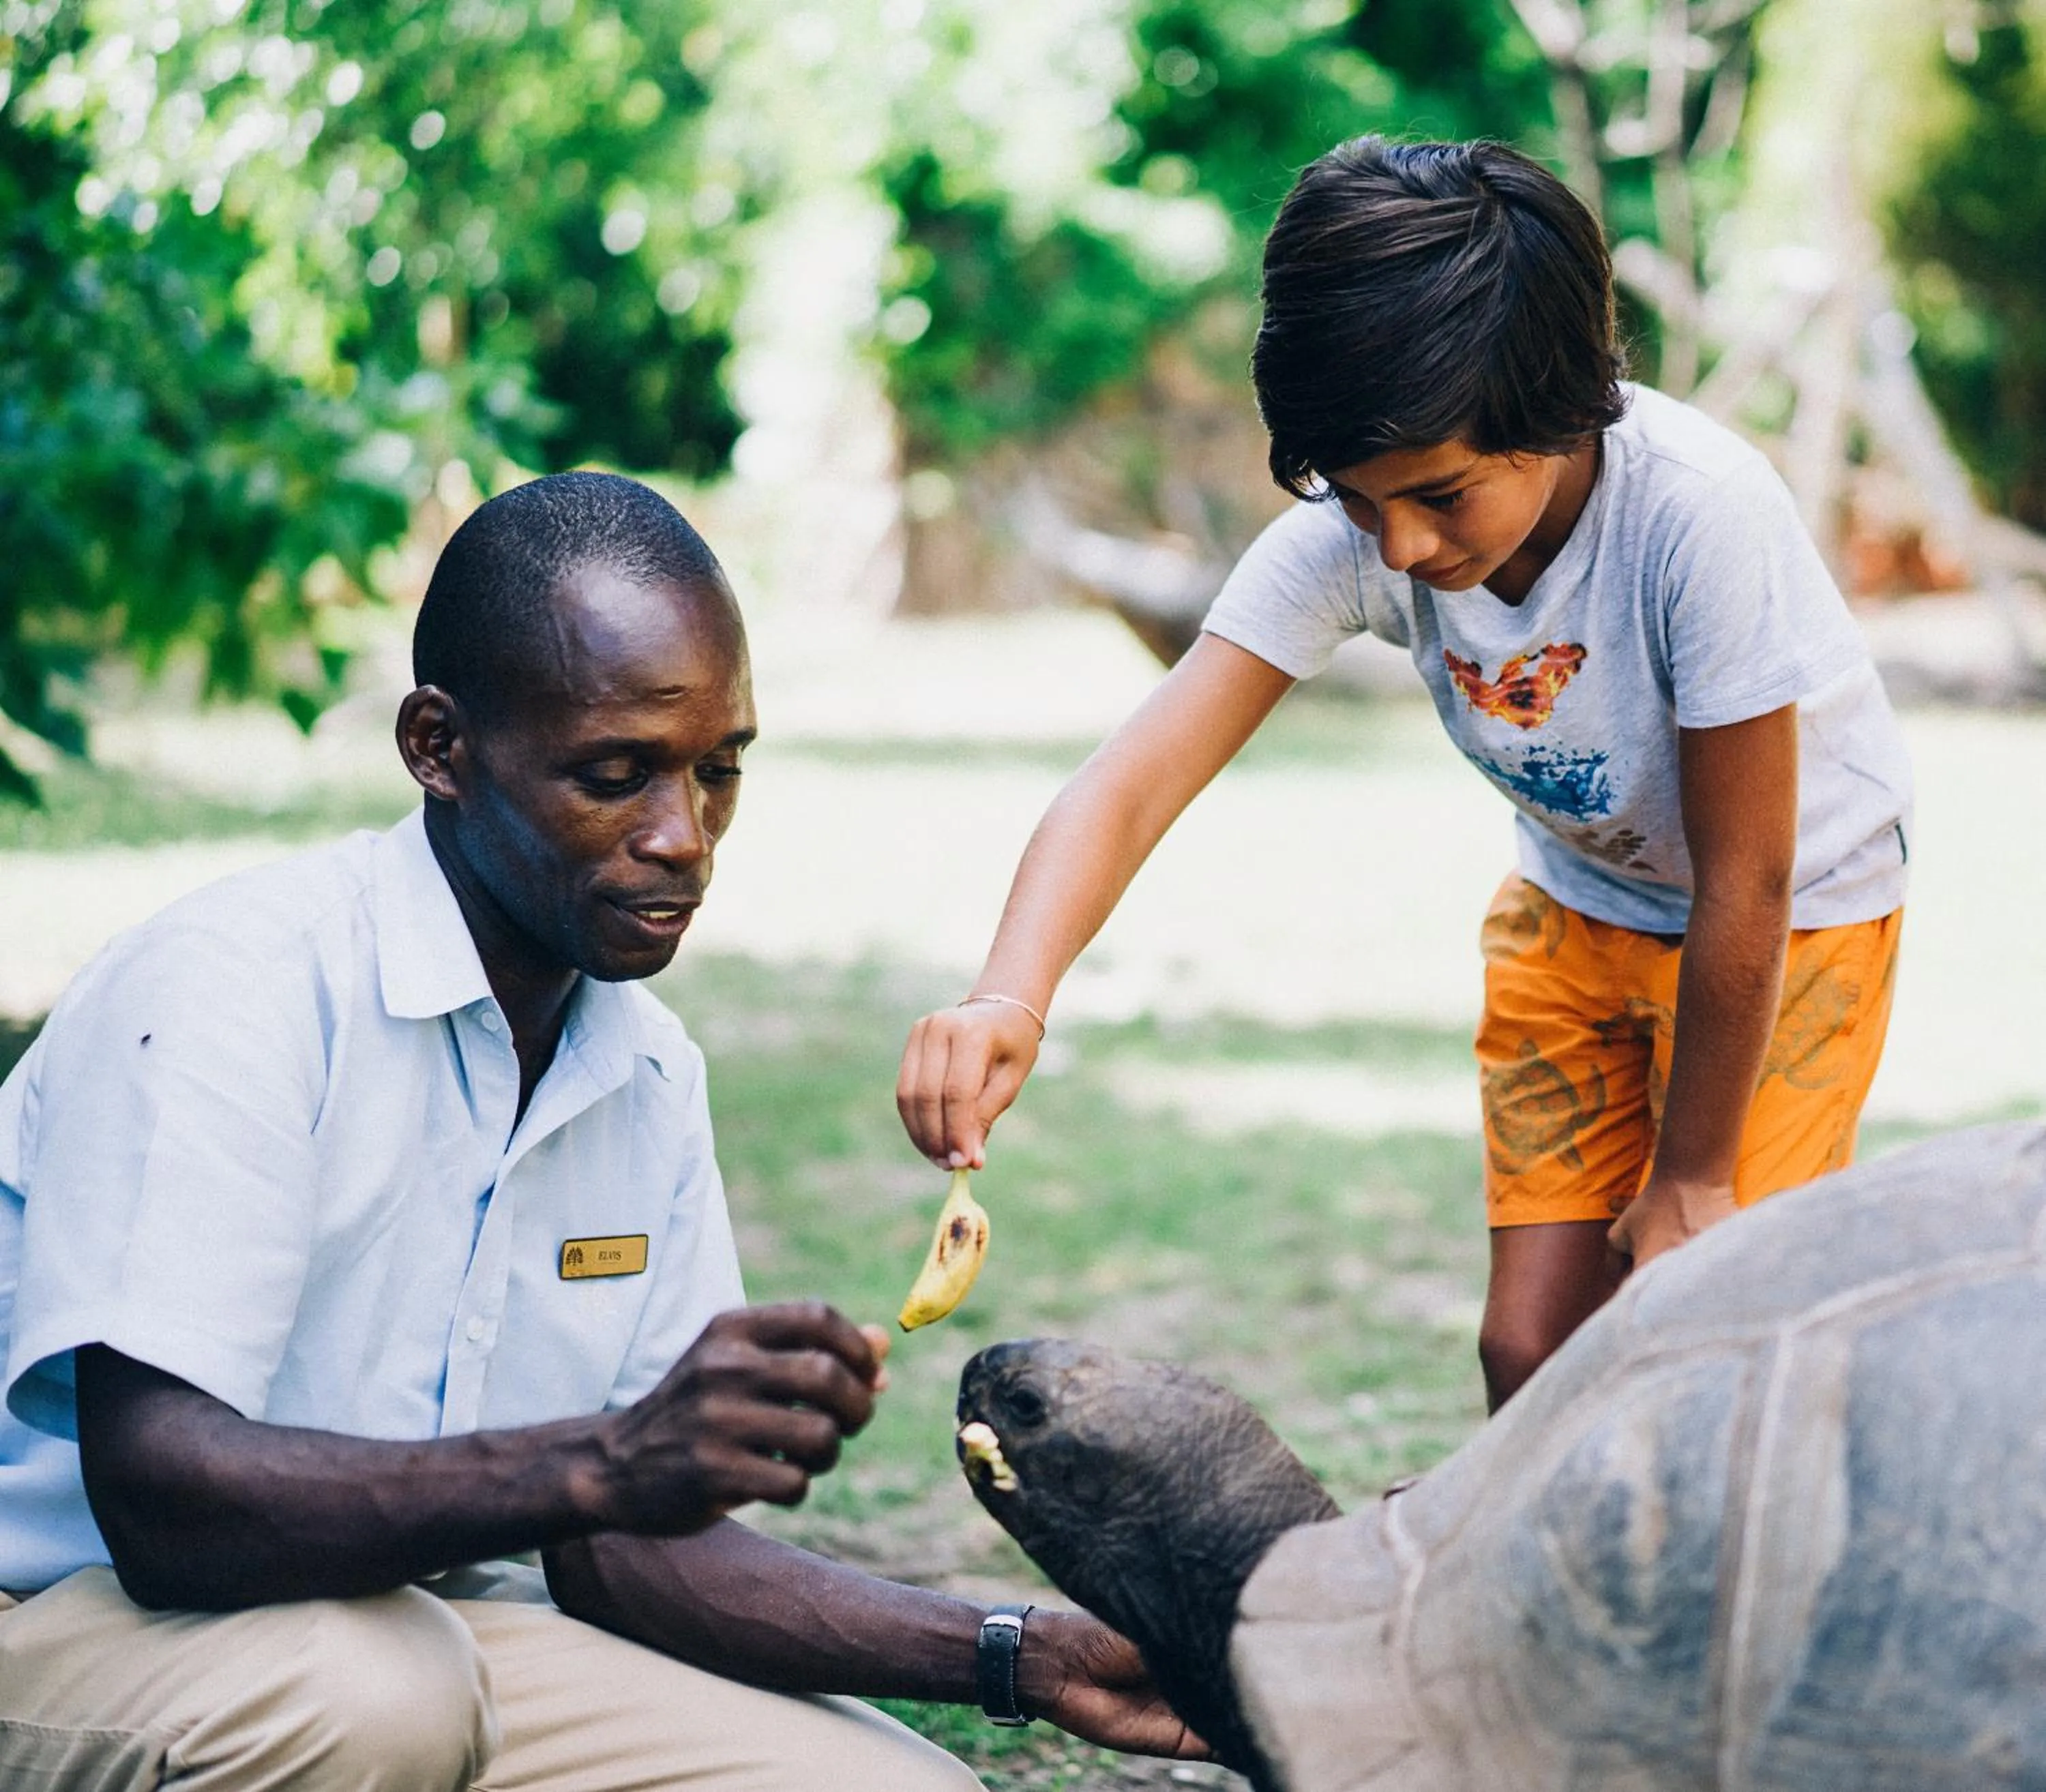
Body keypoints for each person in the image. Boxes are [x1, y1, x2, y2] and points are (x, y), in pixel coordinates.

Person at [0, 472, 1201, 1789]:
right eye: (615, 775)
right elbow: (165, 1504)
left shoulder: (640, 1069)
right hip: (74, 1623)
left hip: (428, 1632)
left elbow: (631, 1542)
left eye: (720, 770)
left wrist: (1018, 1656)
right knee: (377, 1697)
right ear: (439, 747)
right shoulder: (237, 989)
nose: (684, 838)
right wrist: (605, 1457)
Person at [896, 138, 1912, 1412]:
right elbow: (1133, 780)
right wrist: (1009, 995)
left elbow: (1750, 882)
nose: (1402, 543)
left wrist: (1696, 1177)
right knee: (1526, 1349)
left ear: (1559, 410)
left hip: (1791, 927)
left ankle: (1726, 1602)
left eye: (1439, 495)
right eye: (1361, 498)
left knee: (1691, 1344)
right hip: (1577, 913)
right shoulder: (1364, 530)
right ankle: (1529, 1609)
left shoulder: (1700, 520)